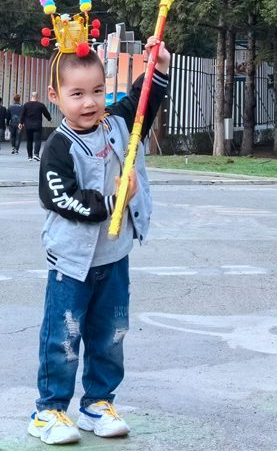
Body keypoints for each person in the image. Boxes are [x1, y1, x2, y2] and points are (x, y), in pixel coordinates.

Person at [27, 36, 170, 446]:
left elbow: (143, 102)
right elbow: (60, 197)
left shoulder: (119, 125)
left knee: (111, 333)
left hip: (114, 257)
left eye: (97, 91)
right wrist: (111, 202)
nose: (90, 103)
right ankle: (49, 410)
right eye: (77, 94)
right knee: (63, 336)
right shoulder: (57, 147)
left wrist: (158, 67)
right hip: (71, 262)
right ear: (56, 96)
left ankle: (98, 404)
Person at [20, 91, 52, 161]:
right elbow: (46, 113)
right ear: (37, 97)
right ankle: (36, 154)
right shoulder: (40, 105)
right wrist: (50, 119)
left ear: (31, 96)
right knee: (37, 140)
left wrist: (20, 123)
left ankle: (29, 157)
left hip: (28, 125)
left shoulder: (26, 105)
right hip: (37, 125)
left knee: (29, 141)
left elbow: (22, 114)